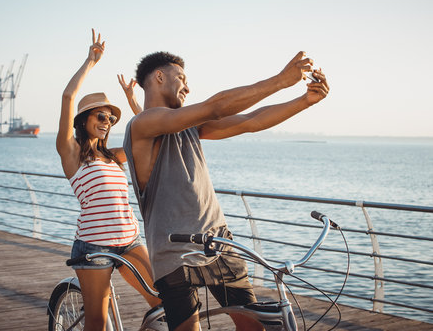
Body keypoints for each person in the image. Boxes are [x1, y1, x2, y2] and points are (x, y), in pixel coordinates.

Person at [121, 51, 329, 331]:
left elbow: (250, 121)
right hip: (174, 255)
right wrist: (280, 80)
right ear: (159, 77)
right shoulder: (142, 124)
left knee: (254, 327)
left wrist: (305, 101)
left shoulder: (189, 126)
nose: (187, 87)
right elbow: (215, 107)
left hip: (219, 244)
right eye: (181, 78)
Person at [56, 29, 162, 331]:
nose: (106, 123)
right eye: (100, 116)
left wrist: (131, 98)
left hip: (129, 241)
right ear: (84, 119)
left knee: (165, 302)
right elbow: (67, 96)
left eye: (110, 119)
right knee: (97, 324)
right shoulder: (72, 154)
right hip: (93, 248)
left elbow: (150, 133)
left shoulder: (115, 156)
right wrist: (91, 61)